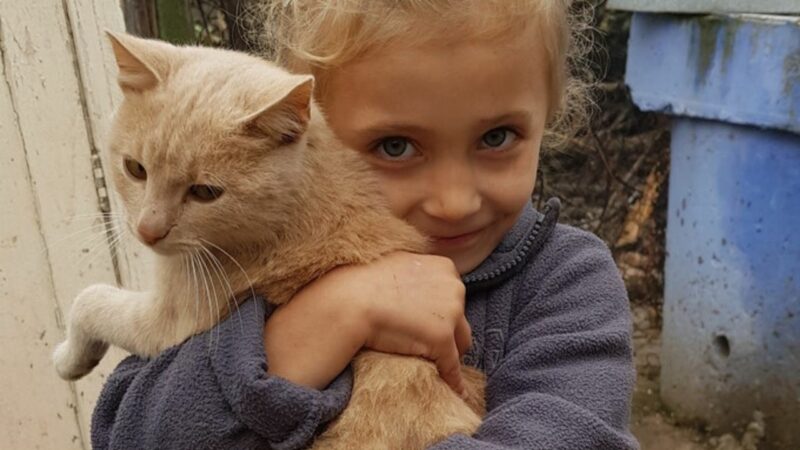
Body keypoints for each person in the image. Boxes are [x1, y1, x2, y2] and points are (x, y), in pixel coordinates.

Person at [92, 1, 638, 449]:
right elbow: (128, 433)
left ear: (548, 119)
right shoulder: (243, 250)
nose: (453, 202)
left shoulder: (569, 285)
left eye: (497, 138)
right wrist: (325, 321)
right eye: (394, 146)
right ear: (305, 139)